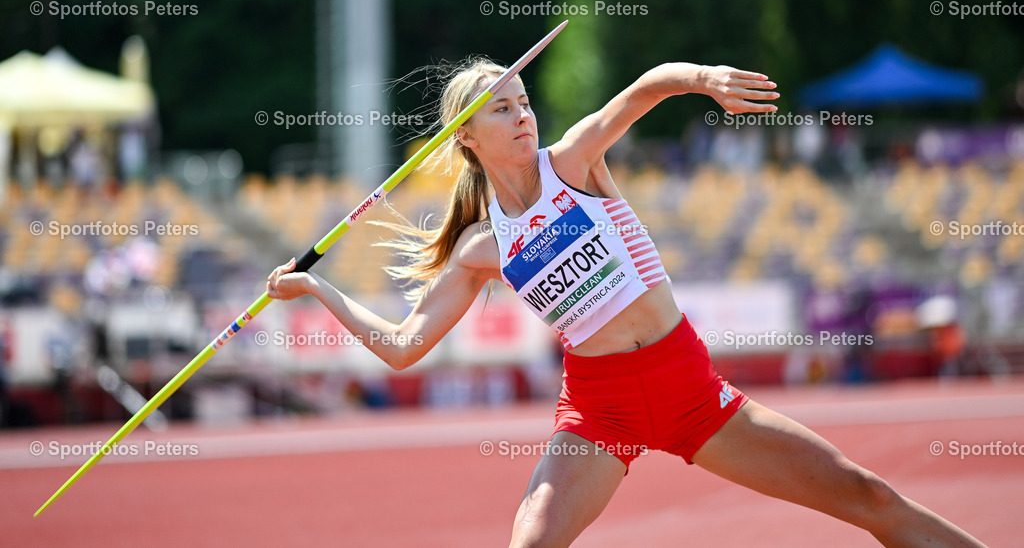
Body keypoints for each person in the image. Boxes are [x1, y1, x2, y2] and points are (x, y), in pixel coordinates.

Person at [266, 59, 986, 547]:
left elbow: (644, 90)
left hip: (693, 394)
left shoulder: (572, 162)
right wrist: (317, 286)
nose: (523, 117)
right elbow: (403, 345)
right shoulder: (482, 248)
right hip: (598, 411)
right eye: (502, 110)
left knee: (868, 497)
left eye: (523, 102)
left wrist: (703, 79)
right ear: (467, 138)